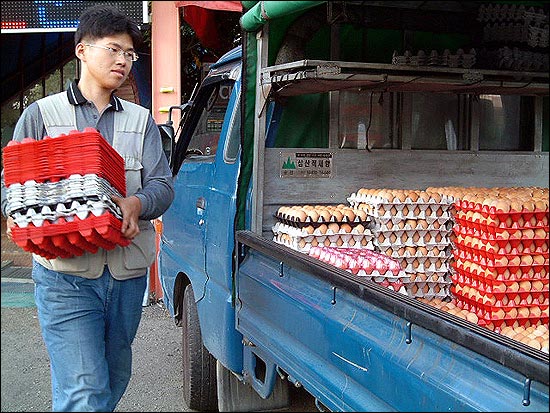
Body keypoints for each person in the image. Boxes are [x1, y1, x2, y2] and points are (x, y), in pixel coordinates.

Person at [0, 5, 174, 412]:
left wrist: (138, 203)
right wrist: (23, 214)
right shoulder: (41, 114)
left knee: (112, 378)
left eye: (130, 55)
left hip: (126, 275)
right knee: (84, 388)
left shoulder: (141, 119)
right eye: (114, 50)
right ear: (81, 50)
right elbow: (11, 184)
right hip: (65, 279)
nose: (123, 61)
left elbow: (163, 186)